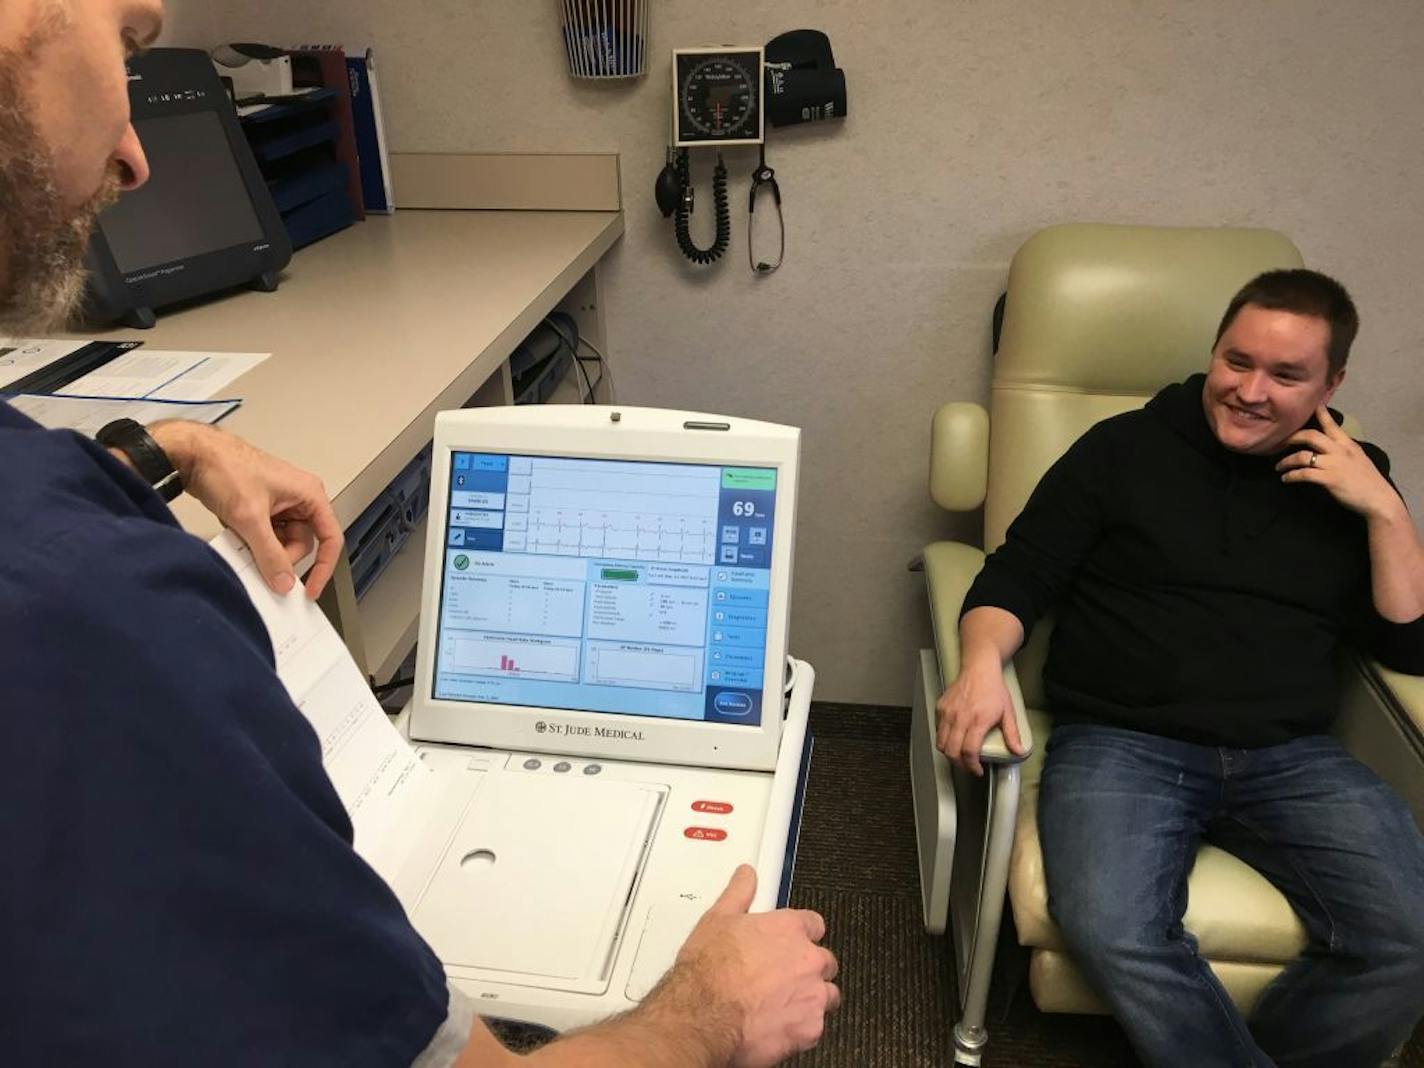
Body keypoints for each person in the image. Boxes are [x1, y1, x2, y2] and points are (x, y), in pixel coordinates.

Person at [0, 2, 839, 1064]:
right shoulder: (94, 619)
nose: (136, 156)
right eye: (127, 43)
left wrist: (165, 449)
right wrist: (701, 1015)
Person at [936, 267, 1424, 1066]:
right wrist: (981, 662)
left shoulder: (1353, 477)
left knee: (1410, 939)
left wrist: (1385, 509)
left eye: (1287, 374)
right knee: (1115, 927)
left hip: (1290, 755)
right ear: (1214, 351)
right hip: (1124, 741)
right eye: (1238, 362)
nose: (1251, 390)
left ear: (1332, 382)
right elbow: (1017, 574)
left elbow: (1410, 649)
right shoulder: (1124, 448)